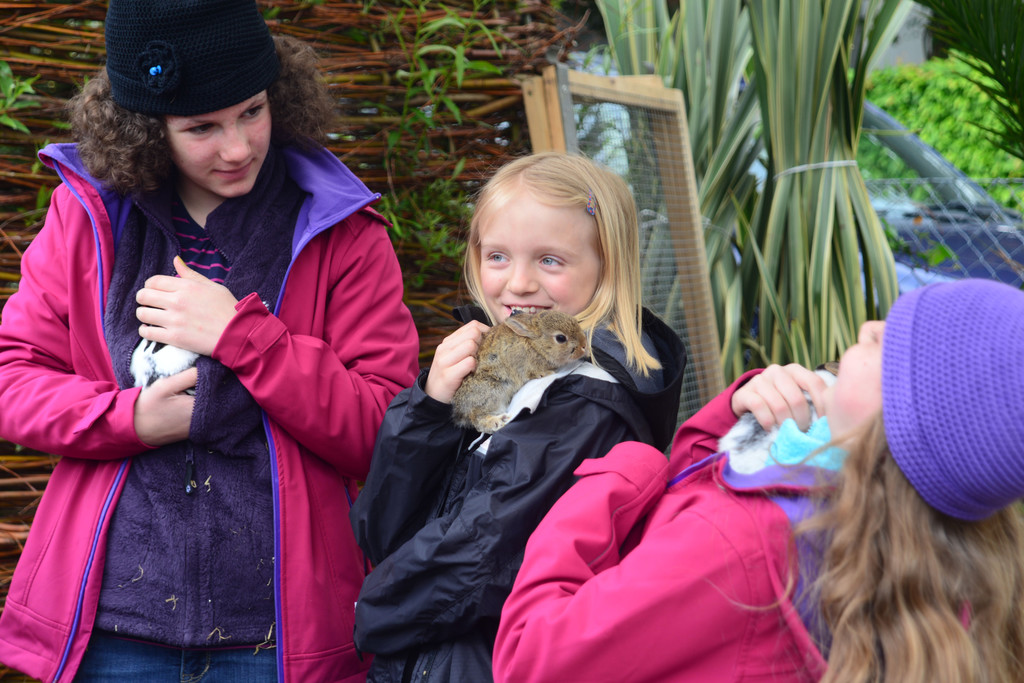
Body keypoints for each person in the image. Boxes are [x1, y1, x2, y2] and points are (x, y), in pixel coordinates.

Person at [0, 1, 419, 681]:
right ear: (144, 128)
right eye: (201, 127)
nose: (238, 147)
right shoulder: (84, 215)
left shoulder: (345, 231)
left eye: (253, 111)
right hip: (113, 629)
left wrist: (242, 336)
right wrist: (132, 420)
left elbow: (384, 427)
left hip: (278, 638)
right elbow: (12, 379)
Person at [494, 278, 1024, 683]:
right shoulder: (941, 555)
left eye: (892, 345)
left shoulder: (743, 542)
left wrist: (621, 473)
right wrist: (732, 421)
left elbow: (529, 657)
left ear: (905, 424)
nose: (869, 329)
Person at [349, 151, 687, 682]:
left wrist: (371, 613)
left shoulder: (586, 404)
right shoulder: (496, 361)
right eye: (498, 256)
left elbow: (481, 557)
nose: (519, 283)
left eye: (550, 260)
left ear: (607, 268)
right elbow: (382, 529)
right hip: (425, 658)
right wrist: (430, 406)